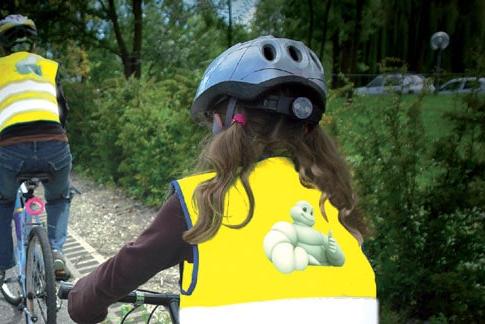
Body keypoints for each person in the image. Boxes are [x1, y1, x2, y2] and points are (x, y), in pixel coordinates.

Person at [67, 36, 377, 323]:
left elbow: (121, 273)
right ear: (308, 129)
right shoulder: (335, 202)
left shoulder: (203, 200)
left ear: (224, 121)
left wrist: (81, 301)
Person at [0, 14, 73, 286]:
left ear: (2, 47)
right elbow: (63, 111)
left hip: (12, 149)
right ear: (33, 44)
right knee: (58, 198)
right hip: (55, 144)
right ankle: (56, 249)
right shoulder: (49, 66)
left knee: (2, 201)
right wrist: (55, 136)